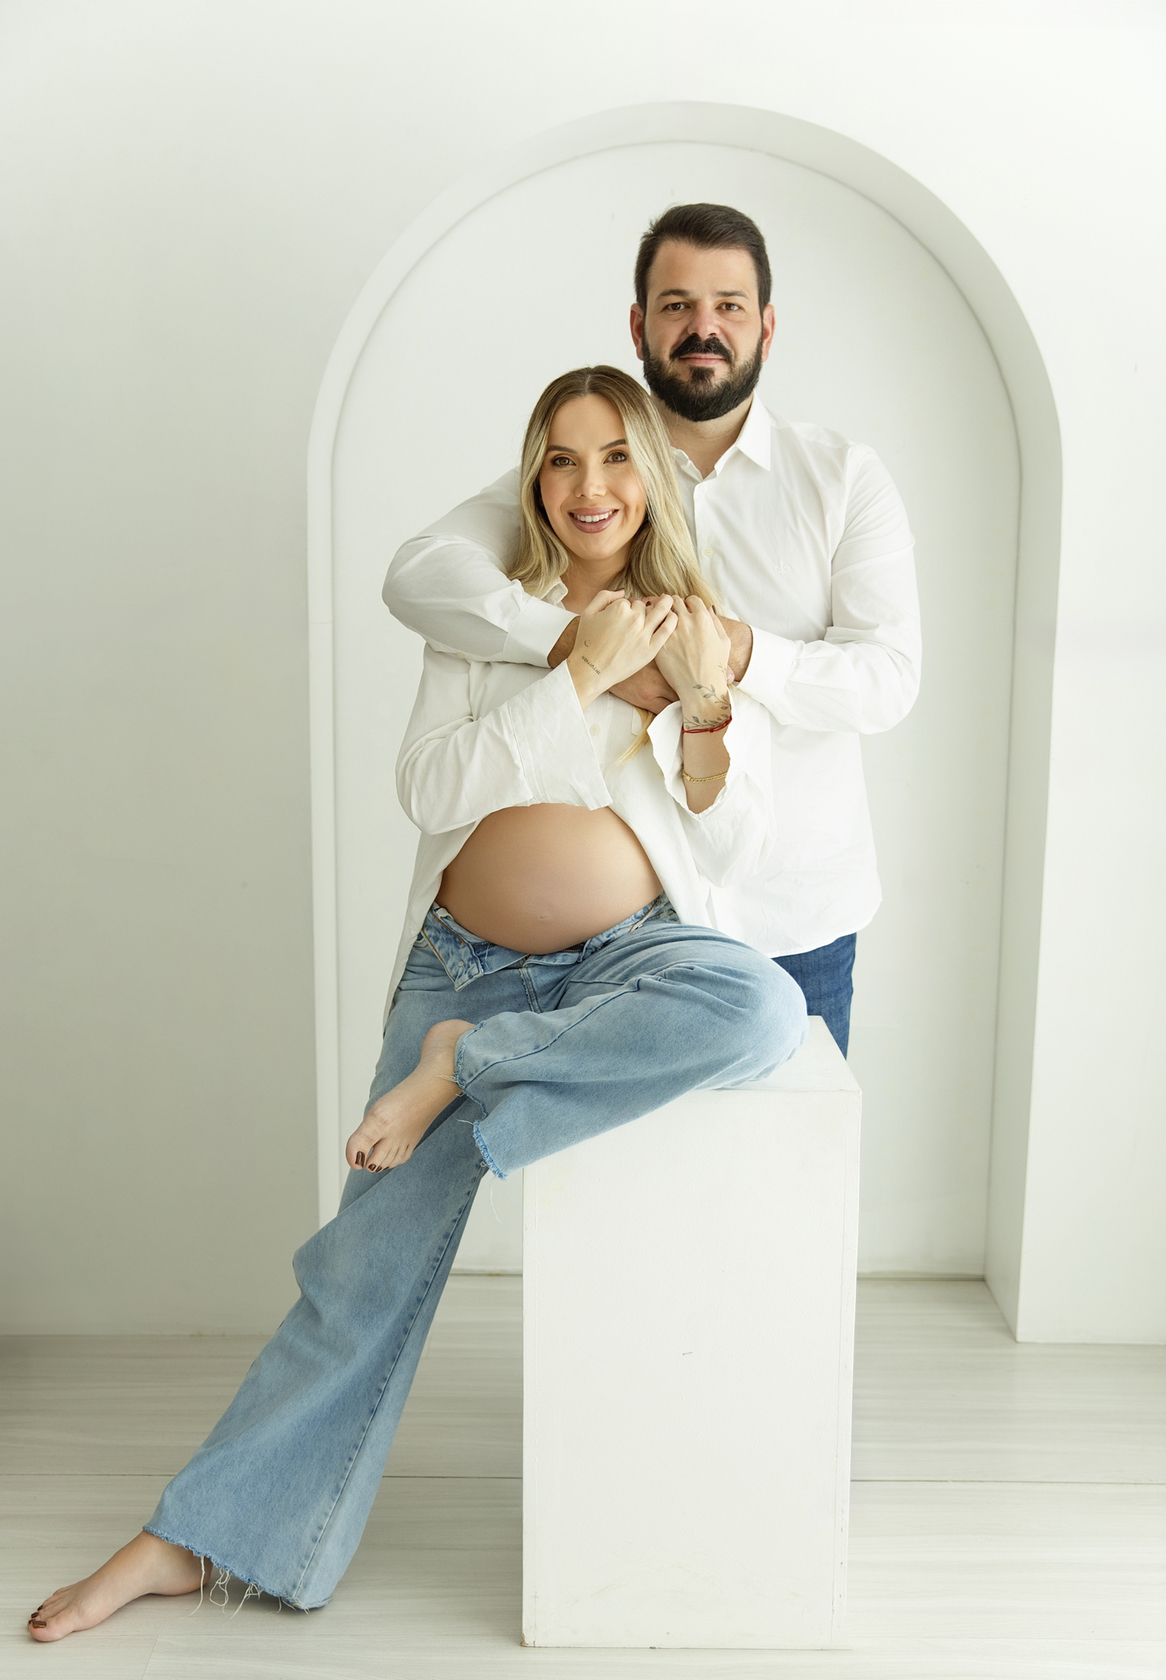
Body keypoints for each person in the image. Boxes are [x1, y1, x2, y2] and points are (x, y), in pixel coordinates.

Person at [27, 366, 803, 1640]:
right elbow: (429, 786)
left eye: (617, 456)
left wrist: (707, 706)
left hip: (623, 960)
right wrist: (577, 675)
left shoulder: (702, 626)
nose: (590, 485)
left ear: (654, 477)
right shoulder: (491, 618)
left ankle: (467, 1062)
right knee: (363, 1273)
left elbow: (739, 851)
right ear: (532, 480)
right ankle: (189, 1539)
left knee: (760, 1011)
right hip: (464, 962)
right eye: (561, 459)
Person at [383, 203, 922, 1057]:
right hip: (635, 925)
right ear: (639, 326)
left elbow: (887, 680)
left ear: (766, 326)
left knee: (785, 1133)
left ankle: (466, 1071)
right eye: (677, 305)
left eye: (729, 305)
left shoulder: (841, 479)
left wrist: (733, 658)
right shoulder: (591, 473)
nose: (703, 327)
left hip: (795, 912)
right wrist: (582, 649)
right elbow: (420, 573)